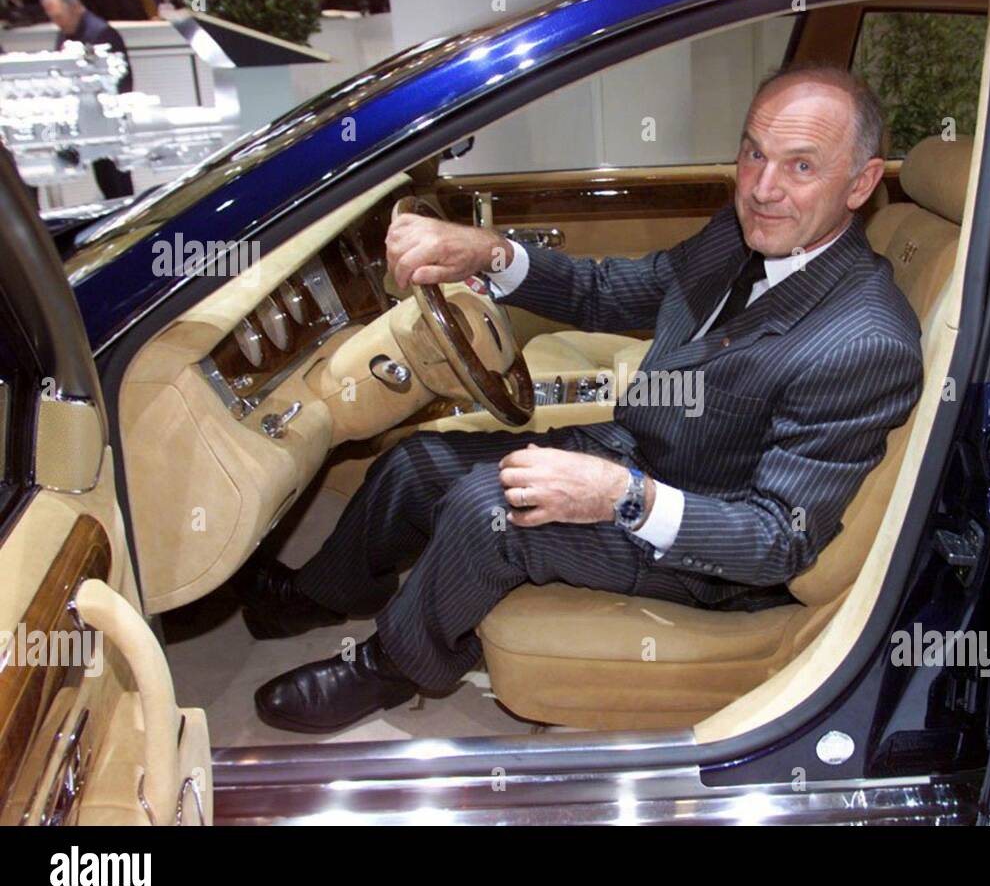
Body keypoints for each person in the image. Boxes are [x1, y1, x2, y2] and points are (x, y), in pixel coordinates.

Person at [240, 63, 925, 733]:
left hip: (706, 550)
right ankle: (321, 594)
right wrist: (489, 253)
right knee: (415, 462)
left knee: (491, 510)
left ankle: (393, 664)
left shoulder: (863, 339)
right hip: (636, 446)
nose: (763, 187)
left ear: (862, 182)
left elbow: (779, 538)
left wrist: (624, 495)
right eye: (753, 153)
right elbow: (609, 291)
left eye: (801, 166)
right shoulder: (741, 234)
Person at [40, 0, 134, 199]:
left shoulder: (101, 33)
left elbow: (123, 81)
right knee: (105, 180)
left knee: (116, 182)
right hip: (86, 124)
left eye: (58, 16)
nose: (57, 23)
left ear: (75, 7)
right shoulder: (65, 33)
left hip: (107, 123)